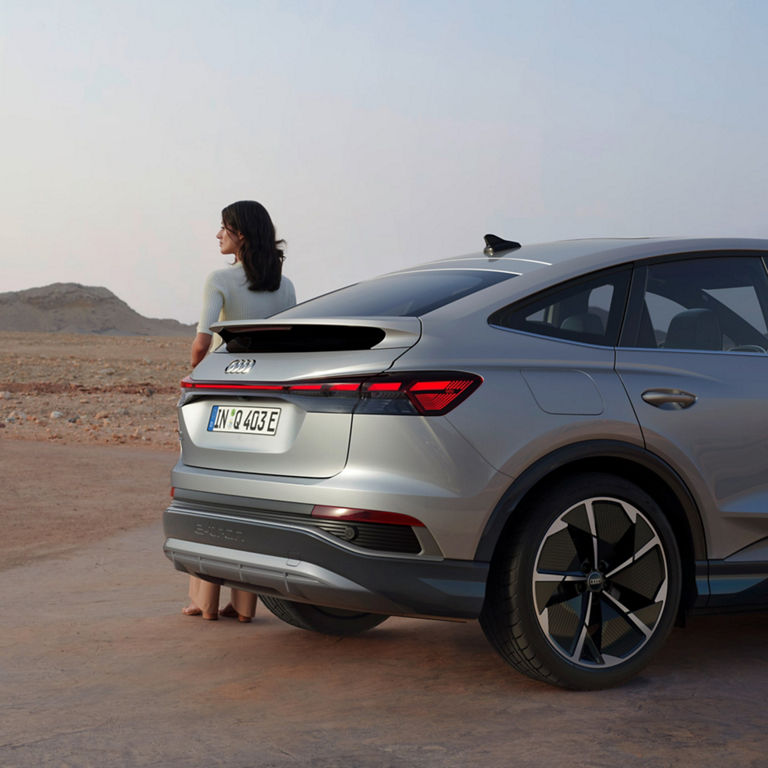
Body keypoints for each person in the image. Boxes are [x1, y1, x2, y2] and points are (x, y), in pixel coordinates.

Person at [183, 200, 296, 622]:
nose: (218, 235)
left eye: (223, 228)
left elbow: (201, 343)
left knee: (210, 495)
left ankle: (204, 602)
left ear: (240, 234)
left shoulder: (220, 279)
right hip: (267, 400)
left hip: (222, 395)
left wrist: (197, 381)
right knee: (249, 498)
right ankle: (244, 605)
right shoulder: (284, 285)